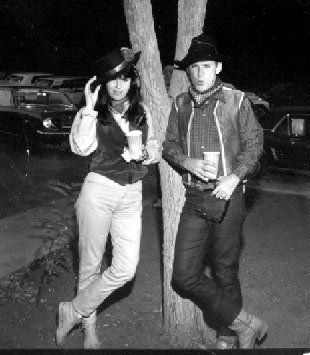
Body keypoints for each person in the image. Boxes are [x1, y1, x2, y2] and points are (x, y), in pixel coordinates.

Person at [162, 33, 267, 349]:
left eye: (206, 66)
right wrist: (187, 162)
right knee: (182, 276)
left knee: (225, 272)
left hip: (227, 198)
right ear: (189, 71)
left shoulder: (236, 101)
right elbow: (169, 145)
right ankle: (246, 323)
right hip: (194, 198)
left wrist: (234, 176)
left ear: (217, 67)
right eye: (194, 67)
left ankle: (226, 335)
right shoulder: (180, 104)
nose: (200, 73)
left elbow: (255, 144)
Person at [55, 47, 161, 348]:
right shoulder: (93, 113)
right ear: (103, 84)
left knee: (126, 268)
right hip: (99, 191)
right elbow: (81, 147)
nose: (118, 85)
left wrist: (147, 153)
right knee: (90, 265)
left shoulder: (143, 111)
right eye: (112, 80)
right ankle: (90, 331)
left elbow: (153, 146)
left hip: (131, 195)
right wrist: (88, 108)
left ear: (132, 82)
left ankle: (73, 309)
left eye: (124, 79)